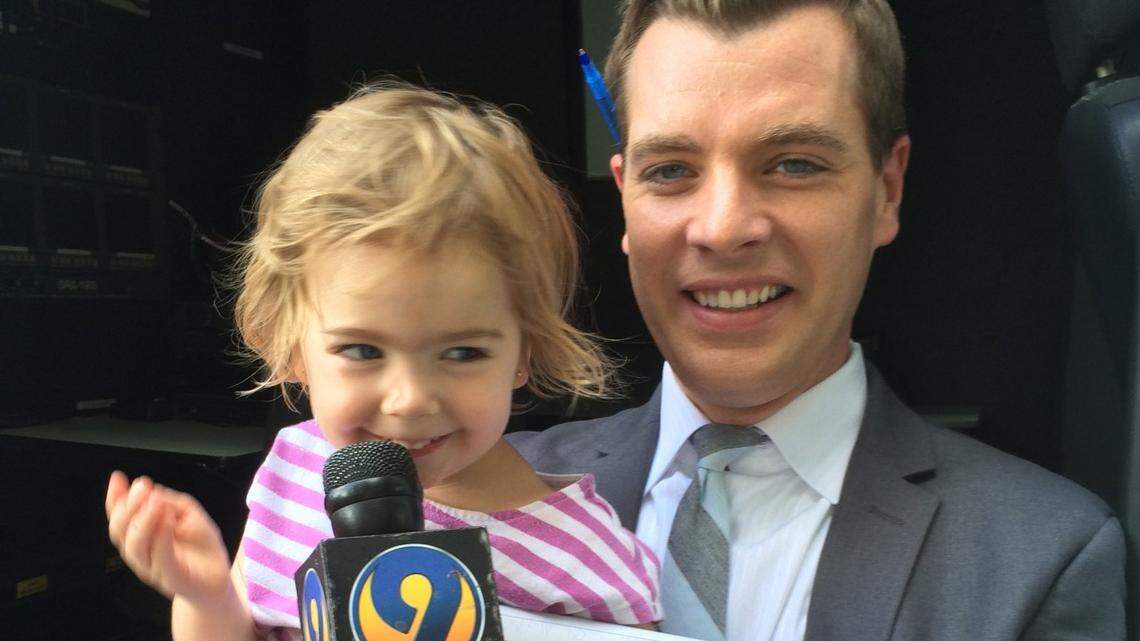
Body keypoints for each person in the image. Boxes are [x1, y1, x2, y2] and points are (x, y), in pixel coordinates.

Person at [508, 1, 1127, 640]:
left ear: (887, 190)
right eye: (670, 172)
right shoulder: (463, 506)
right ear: (625, 199)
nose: (723, 228)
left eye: (793, 164)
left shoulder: (1041, 559)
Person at [104, 84, 662, 641]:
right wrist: (204, 596)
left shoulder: (586, 562)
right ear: (294, 348)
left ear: (525, 352)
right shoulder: (294, 471)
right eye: (363, 351)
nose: (411, 398)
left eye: (463, 352)